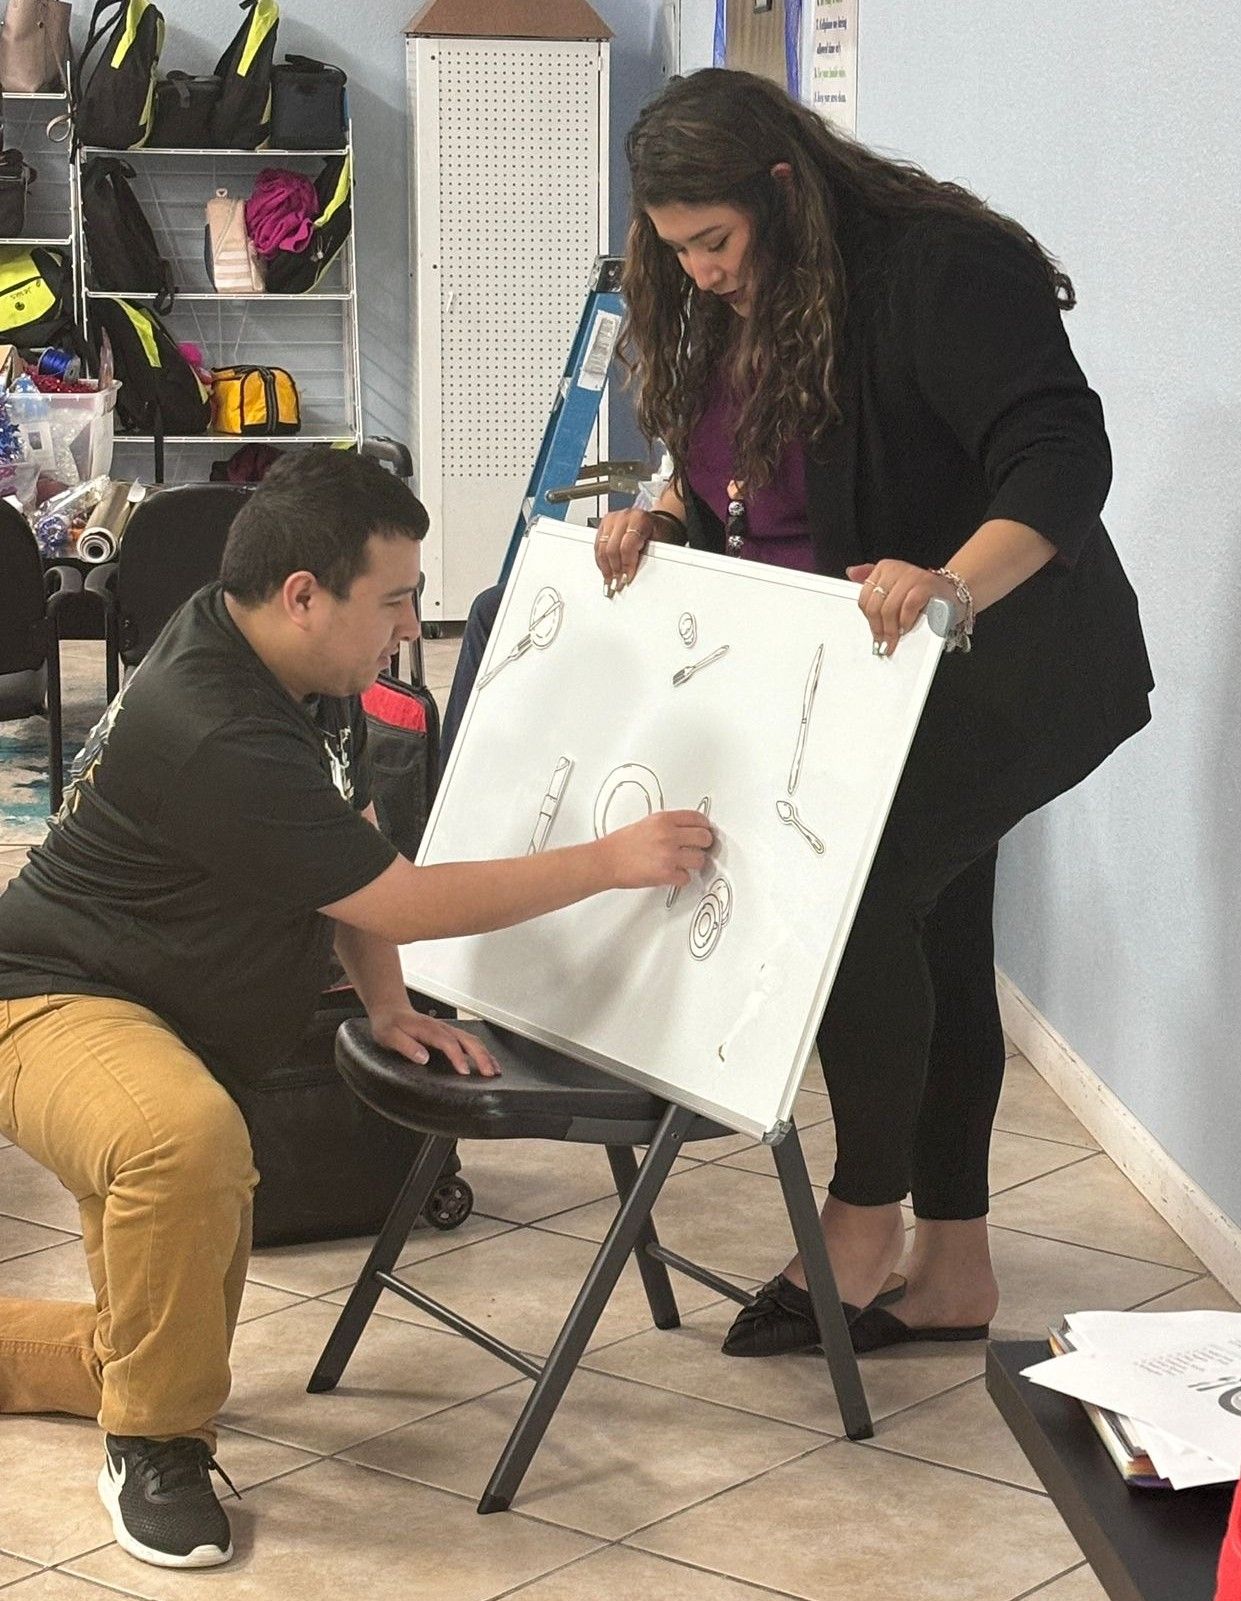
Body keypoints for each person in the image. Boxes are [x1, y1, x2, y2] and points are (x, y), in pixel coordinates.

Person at [0, 448, 713, 1571]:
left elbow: (355, 847)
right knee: (182, 1148)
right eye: (394, 599)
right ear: (302, 596)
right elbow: (404, 896)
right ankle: (154, 1447)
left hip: (173, 995)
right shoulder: (214, 717)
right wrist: (610, 859)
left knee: (160, 1323)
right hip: (58, 995)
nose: (406, 623)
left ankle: (130, 1385)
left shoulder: (286, 666)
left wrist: (384, 1002)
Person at [587, 68, 1153, 1360]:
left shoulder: (936, 269)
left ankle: (860, 1216)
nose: (702, 273)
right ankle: (952, 1267)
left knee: (860, 896)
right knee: (940, 935)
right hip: (876, 681)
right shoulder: (729, 296)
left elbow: (1062, 454)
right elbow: (743, 460)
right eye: (673, 251)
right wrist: (666, 515)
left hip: (1009, 667)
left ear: (782, 192)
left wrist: (953, 580)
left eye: (716, 242)